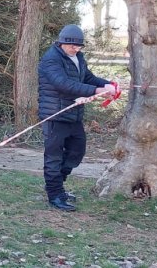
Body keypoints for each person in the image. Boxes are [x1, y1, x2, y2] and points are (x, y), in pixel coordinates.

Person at [37, 23, 116, 211]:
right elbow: (63, 84)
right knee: (53, 158)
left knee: (77, 152)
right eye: (71, 45)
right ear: (61, 43)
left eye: (79, 46)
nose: (75, 48)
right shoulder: (51, 60)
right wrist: (97, 91)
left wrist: (108, 84)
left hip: (74, 115)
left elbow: (87, 78)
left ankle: (58, 186)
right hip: (55, 115)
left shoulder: (78, 58)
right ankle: (55, 195)